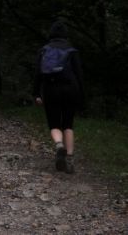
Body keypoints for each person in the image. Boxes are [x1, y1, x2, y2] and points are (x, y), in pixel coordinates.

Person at [33, 20, 84, 174]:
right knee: (68, 124)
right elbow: (79, 74)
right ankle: (69, 158)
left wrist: (36, 93)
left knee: (54, 123)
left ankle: (59, 145)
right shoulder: (72, 50)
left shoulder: (44, 50)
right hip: (70, 88)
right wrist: (81, 94)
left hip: (50, 89)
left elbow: (37, 74)